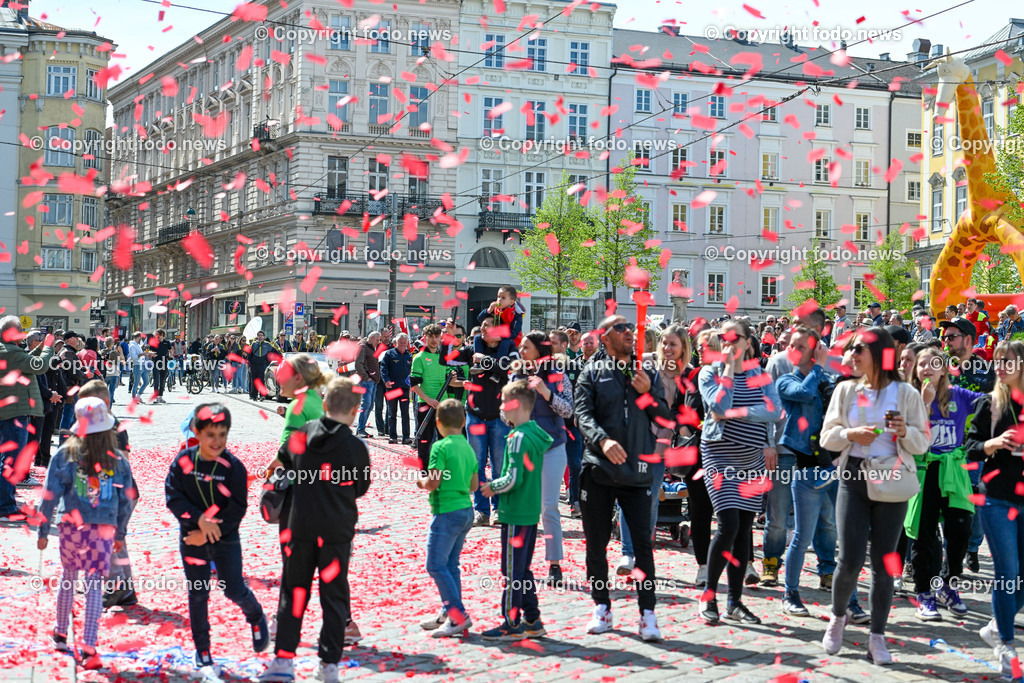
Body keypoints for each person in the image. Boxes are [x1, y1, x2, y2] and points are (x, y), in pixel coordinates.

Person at [820, 327, 931, 665]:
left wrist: (905, 431)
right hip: (854, 476)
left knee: (885, 564)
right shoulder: (845, 391)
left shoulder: (906, 393)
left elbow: (923, 442)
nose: (852, 355)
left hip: (892, 477)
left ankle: (877, 637)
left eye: (859, 350)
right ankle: (839, 617)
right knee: (850, 559)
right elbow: (827, 438)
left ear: (879, 354)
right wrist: (849, 433)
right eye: (852, 349)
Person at [259, 378, 370, 683]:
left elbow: (282, 463)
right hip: (337, 529)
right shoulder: (356, 446)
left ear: (324, 404)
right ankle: (329, 663)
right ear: (357, 410)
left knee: (293, 592)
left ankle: (283, 661)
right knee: (334, 597)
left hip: (301, 524)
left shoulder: (304, 433)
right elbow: (360, 488)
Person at [575, 315, 669, 641]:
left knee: (643, 547)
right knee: (597, 546)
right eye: (620, 328)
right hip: (598, 472)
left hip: (637, 475)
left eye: (629, 328)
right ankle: (601, 606)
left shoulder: (646, 372)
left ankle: (648, 615)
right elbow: (582, 415)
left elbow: (664, 418)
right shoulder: (590, 372)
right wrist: (603, 440)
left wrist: (647, 394)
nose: (628, 332)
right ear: (604, 338)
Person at [165, 404, 270, 675]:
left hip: (225, 539)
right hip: (192, 537)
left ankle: (256, 616)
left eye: (223, 434)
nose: (217, 441)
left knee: (233, 588)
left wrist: (211, 530)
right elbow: (173, 496)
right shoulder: (183, 462)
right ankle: (203, 650)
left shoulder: (234, 467)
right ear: (197, 433)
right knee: (198, 593)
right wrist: (199, 521)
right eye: (211, 435)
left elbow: (237, 507)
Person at [35, 397, 134, 669]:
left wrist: (44, 529)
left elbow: (50, 494)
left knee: (68, 578)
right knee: (94, 586)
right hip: (103, 528)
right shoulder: (116, 458)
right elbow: (126, 499)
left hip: (71, 526)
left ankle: (60, 634)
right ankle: (89, 644)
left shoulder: (66, 452)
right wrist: (120, 533)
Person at [697, 319, 783, 626]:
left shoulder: (761, 374)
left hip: (752, 459)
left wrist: (741, 413)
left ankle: (734, 602)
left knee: (744, 529)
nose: (728, 343)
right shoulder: (710, 372)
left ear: (749, 342)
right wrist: (730, 372)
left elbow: (775, 411)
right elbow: (719, 407)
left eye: (735, 338)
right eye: (723, 338)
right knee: (728, 525)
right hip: (719, 454)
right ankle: (708, 595)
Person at [904, 347, 979, 621]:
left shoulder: (959, 395)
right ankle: (924, 592)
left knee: (961, 531)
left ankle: (948, 586)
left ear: (944, 368)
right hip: (922, 473)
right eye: (921, 364)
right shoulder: (907, 397)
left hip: (953, 473)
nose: (926, 368)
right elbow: (900, 432)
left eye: (933, 363)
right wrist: (924, 404)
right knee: (923, 536)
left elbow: (994, 402)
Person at [965, 339, 1024, 678]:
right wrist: (993, 443)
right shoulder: (991, 404)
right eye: (998, 361)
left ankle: (993, 626)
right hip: (997, 498)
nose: (1000, 366)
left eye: (1008, 361)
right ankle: (1006, 644)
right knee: (1007, 573)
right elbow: (971, 447)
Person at [478, 379, 552, 639]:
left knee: (511, 572)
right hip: (529, 512)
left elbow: (513, 478)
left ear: (516, 405)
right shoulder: (533, 433)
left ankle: (511, 623)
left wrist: (491, 488)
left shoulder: (518, 438)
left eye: (503, 402)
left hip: (516, 512)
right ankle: (533, 619)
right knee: (522, 569)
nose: (500, 407)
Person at [617, 325, 686, 577]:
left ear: (682, 349)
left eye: (673, 345)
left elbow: (682, 410)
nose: (667, 349)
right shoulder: (644, 362)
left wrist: (676, 424)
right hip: (633, 440)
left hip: (660, 445)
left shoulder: (684, 375)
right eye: (665, 343)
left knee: (649, 500)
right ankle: (628, 552)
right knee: (628, 497)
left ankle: (642, 551)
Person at [510, 331, 573, 587]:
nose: (521, 352)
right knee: (524, 509)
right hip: (524, 448)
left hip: (553, 446)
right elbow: (507, 416)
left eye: (526, 348)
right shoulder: (516, 375)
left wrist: (547, 393)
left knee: (549, 507)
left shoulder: (558, 375)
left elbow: (568, 410)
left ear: (540, 351)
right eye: (521, 348)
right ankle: (521, 564)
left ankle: (554, 564)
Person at [417, 399, 479, 637]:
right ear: (464, 422)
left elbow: (433, 482)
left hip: (446, 511)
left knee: (435, 564)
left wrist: (420, 481)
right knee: (451, 565)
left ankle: (457, 615)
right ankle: (448, 611)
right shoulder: (467, 446)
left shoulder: (440, 447)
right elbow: (474, 485)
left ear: (438, 422)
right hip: (466, 511)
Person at [0, 319, 55, 521]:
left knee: (6, 459)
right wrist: (48, 348)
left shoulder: (8, 351)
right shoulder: (11, 352)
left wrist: (39, 348)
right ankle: (5, 508)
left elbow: (25, 361)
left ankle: (5, 501)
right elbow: (38, 366)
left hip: (7, 411)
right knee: (12, 461)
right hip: (14, 413)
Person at [411, 324, 447, 471]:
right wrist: (428, 400)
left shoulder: (443, 358)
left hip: (443, 404)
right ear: (425, 338)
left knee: (443, 438)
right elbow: (414, 385)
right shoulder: (419, 358)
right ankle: (424, 469)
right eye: (430, 337)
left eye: (436, 337)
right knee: (424, 438)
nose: (433, 340)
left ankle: (441, 467)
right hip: (426, 403)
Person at [381, 333, 413, 445]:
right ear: (396, 343)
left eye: (405, 342)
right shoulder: (389, 354)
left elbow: (412, 371)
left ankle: (406, 437)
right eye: (401, 342)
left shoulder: (410, 355)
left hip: (404, 389)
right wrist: (386, 380)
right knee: (392, 413)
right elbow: (383, 368)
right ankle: (393, 436)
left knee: (405, 414)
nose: (403, 344)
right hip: (392, 388)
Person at [475, 285, 524, 360]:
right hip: (494, 335)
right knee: (477, 338)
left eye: (503, 298)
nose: (499, 300)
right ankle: (477, 361)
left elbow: (514, 332)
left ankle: (499, 361)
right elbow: (480, 319)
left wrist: (499, 338)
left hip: (509, 339)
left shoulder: (516, 314)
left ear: (511, 302)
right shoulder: (495, 308)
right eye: (498, 297)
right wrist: (489, 310)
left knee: (505, 343)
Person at [354, 331, 381, 438]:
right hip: (367, 381)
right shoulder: (363, 347)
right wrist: (366, 377)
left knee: (369, 406)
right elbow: (358, 364)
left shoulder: (371, 347)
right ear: (371, 338)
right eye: (377, 340)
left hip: (373, 381)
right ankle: (360, 429)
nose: (378, 342)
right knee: (366, 405)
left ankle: (362, 428)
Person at [247, 331, 273, 401]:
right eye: (259, 335)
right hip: (254, 365)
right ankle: (254, 396)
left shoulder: (267, 344)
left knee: (262, 380)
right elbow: (249, 355)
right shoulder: (254, 344)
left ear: (264, 336)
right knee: (254, 381)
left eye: (261, 335)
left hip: (262, 365)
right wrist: (249, 365)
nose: (260, 336)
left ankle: (262, 395)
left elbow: (273, 352)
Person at [150, 329, 173, 404]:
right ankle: (156, 397)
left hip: (164, 362)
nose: (157, 337)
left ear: (162, 335)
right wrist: (152, 354)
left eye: (158, 335)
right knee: (156, 380)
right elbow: (150, 351)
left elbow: (170, 350)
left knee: (163, 380)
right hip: (156, 362)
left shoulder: (167, 342)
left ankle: (160, 396)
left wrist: (171, 355)